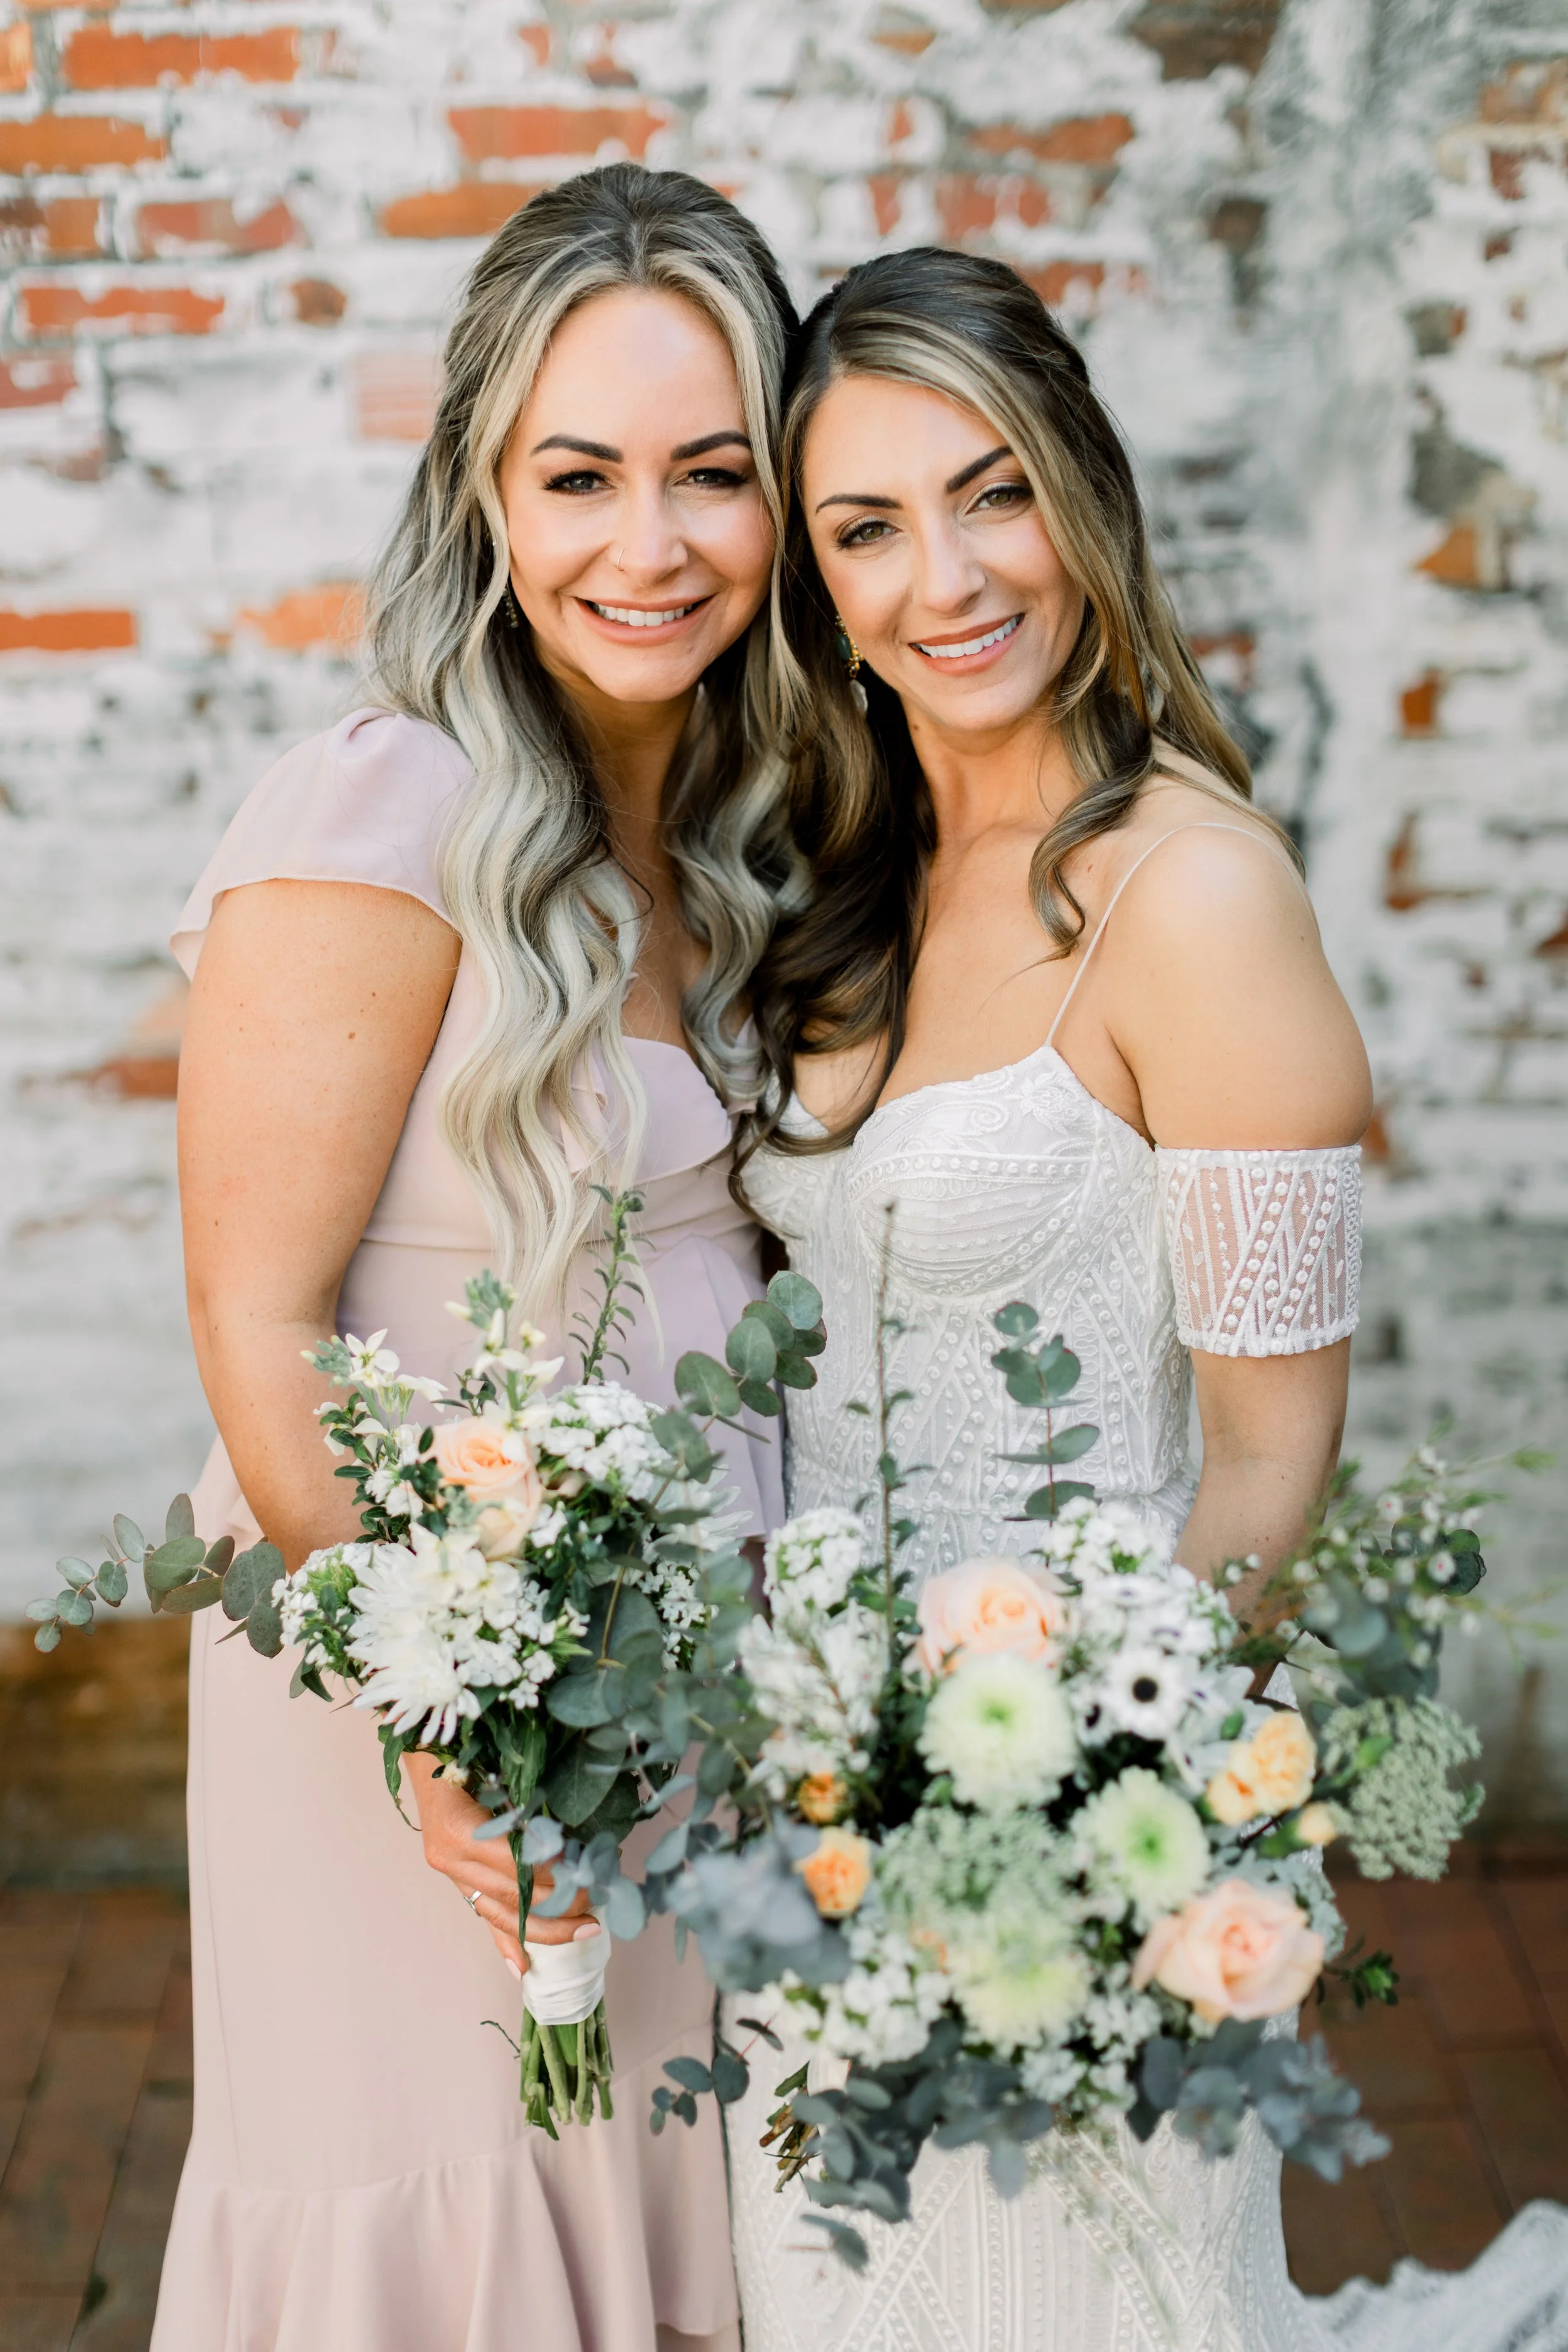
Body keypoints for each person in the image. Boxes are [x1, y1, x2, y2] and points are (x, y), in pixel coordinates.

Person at [726, 247, 1568, 2351]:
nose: (945, 574)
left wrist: (1069, 1830)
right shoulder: (842, 871)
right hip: (811, 1832)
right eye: (866, 525)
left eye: (991, 490)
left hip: (1071, 1855)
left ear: (1082, 497)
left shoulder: (1198, 901)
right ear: (814, 581)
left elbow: (1273, 1451)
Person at [156, 164, 797, 2352]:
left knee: (653, 2226)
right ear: (482, 491)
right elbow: (257, 1312)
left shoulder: (754, 825)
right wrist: (451, 1729)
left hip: (687, 1698)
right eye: (581, 473)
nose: (654, 543)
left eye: (714, 474)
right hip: (414, 1695)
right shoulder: (377, 812)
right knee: (444, 2243)